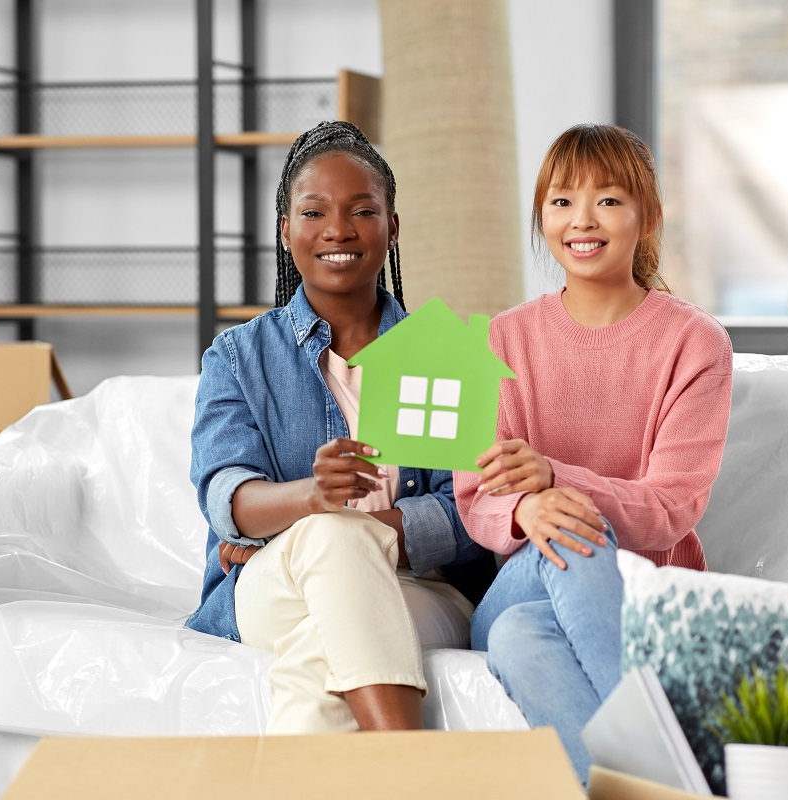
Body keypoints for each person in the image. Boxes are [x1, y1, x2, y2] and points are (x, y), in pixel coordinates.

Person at [185, 120, 494, 733]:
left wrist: (363, 530)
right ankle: (409, 768)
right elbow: (226, 496)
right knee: (330, 538)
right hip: (274, 588)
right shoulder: (239, 357)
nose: (337, 230)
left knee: (321, 648)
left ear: (392, 226)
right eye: (313, 212)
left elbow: (477, 510)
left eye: (361, 210)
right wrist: (314, 499)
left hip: (421, 590)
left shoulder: (440, 353)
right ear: (285, 230)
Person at [454, 123, 733, 782]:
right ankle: (687, 775)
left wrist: (555, 477)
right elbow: (476, 497)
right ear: (543, 216)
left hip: (646, 597)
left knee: (519, 638)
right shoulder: (499, 339)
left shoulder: (694, 343)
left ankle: (648, 794)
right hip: (526, 573)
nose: (582, 220)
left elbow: (671, 510)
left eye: (608, 200)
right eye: (561, 202)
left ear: (649, 216)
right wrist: (528, 509)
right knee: (570, 530)